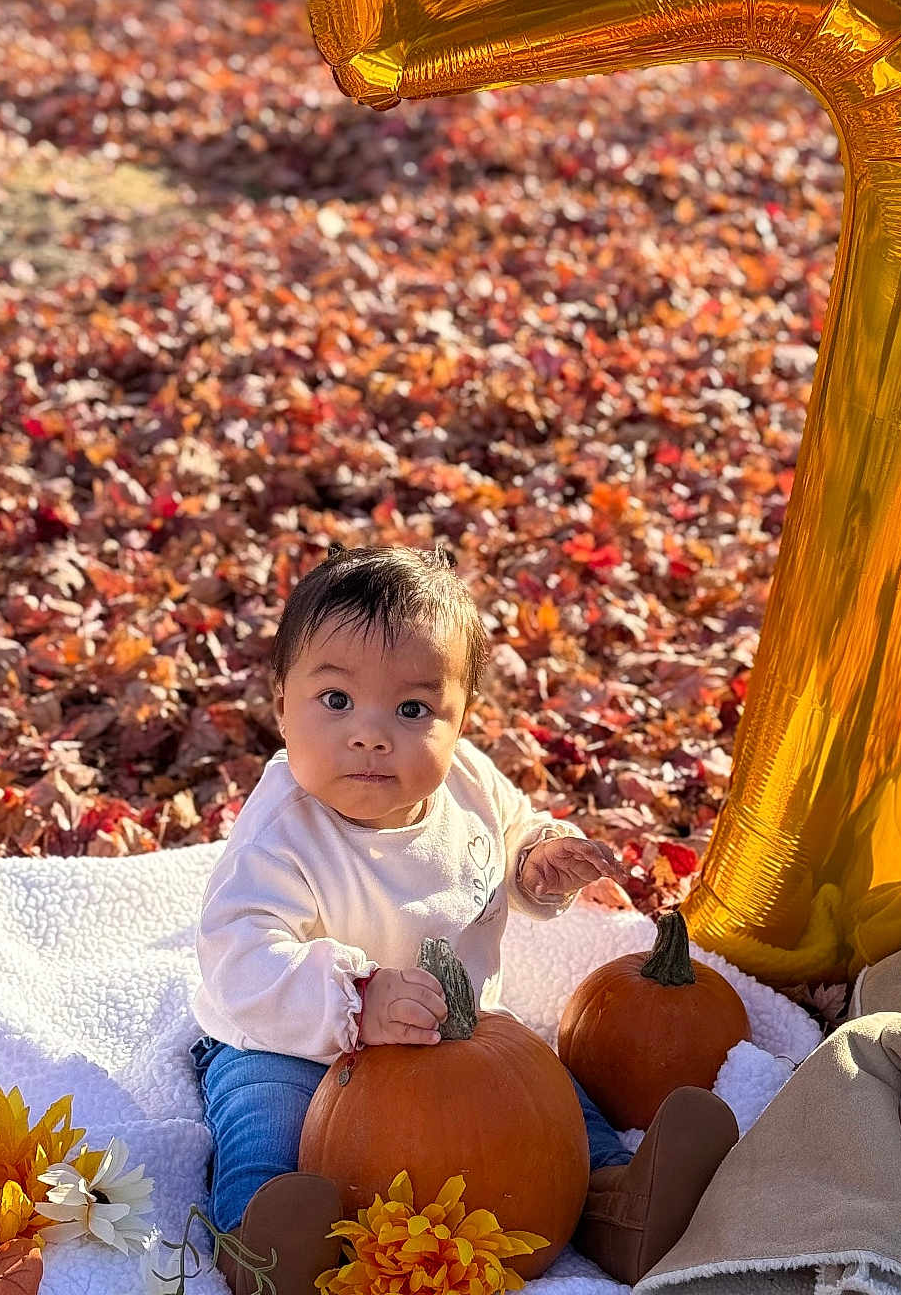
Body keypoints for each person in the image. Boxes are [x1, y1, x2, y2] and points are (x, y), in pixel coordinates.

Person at [188, 542, 738, 1295]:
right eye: (337, 700)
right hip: (295, 1042)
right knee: (265, 1131)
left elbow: (511, 834)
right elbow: (242, 959)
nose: (372, 733)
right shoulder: (281, 832)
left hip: (463, 1035)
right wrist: (359, 996)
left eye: (413, 709)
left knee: (554, 1105)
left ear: (460, 719)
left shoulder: (470, 784)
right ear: (281, 703)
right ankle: (265, 1245)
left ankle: (615, 1202)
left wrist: (538, 858)